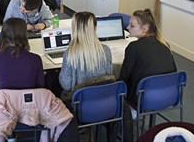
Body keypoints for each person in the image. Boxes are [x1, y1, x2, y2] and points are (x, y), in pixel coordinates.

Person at [119, 9, 177, 142]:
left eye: (132, 25)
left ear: (145, 29)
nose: (127, 27)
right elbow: (173, 71)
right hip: (169, 97)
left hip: (142, 100)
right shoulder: (165, 45)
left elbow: (123, 79)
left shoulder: (134, 47)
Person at [59, 12, 113, 96]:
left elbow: (66, 85)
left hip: (80, 101)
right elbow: (109, 77)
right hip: (103, 98)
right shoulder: (105, 50)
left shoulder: (70, 53)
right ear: (95, 28)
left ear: (74, 29)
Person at [0, 18, 45, 89]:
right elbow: (40, 85)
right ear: (25, 35)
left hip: (7, 99)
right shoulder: (35, 59)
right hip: (29, 98)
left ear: (3, 35)